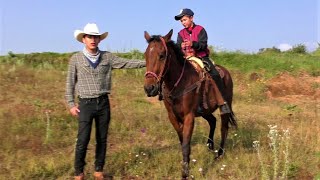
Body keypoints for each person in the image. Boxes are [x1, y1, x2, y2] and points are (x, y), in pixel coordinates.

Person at [65, 23, 145, 180]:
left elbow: (126, 63)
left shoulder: (107, 57)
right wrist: (71, 104)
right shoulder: (76, 59)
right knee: (83, 139)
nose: (93, 40)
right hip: (85, 104)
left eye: (95, 37)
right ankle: (78, 173)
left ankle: (98, 171)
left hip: (103, 103)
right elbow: (70, 83)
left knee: (102, 138)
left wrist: (149, 62)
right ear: (83, 39)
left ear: (99, 40)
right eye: (89, 37)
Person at [174, 8, 231, 114]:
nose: (183, 23)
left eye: (185, 20)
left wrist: (193, 44)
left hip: (201, 57)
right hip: (186, 59)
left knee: (214, 74)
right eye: (181, 21)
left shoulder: (200, 30)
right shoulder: (180, 34)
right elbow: (177, 48)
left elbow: (203, 45)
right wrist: (180, 47)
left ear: (191, 18)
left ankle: (222, 102)